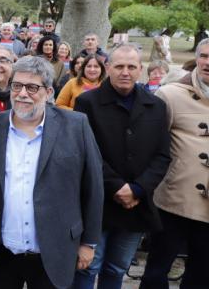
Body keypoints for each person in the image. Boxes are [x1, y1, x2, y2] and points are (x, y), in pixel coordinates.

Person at [0, 55, 104, 289]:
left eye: (32, 88)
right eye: (17, 86)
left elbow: (93, 187)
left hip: (54, 252)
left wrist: (89, 243)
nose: (22, 94)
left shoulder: (76, 126)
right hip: (2, 252)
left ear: (49, 92)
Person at [72, 44, 171, 289]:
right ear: (108, 68)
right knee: (88, 267)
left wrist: (138, 189)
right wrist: (117, 186)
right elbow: (85, 152)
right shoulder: (87, 103)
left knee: (117, 268)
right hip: (99, 202)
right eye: (119, 66)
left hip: (136, 204)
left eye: (131, 66)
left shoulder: (156, 106)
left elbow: (162, 155)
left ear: (140, 69)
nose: (125, 72)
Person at [140, 38, 209, 289]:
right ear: (196, 59)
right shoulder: (170, 94)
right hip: (173, 200)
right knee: (156, 272)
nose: (208, 62)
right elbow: (151, 145)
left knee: (202, 274)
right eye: (204, 56)